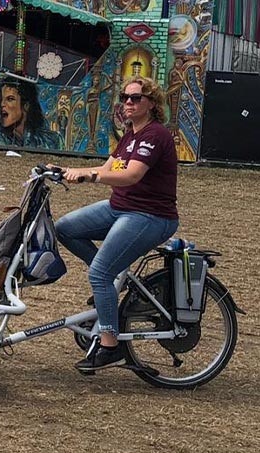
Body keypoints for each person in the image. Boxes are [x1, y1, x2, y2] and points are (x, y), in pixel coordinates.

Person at [54, 76, 179, 372]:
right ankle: (110, 281)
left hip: (149, 216)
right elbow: (108, 168)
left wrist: (89, 176)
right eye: (125, 97)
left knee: (98, 273)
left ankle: (111, 345)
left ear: (152, 103)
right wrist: (65, 170)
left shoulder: (155, 135)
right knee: (65, 228)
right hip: (118, 208)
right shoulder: (130, 134)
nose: (128, 103)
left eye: (135, 98)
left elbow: (130, 176)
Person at [0, 78, 63, 150]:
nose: (2, 104)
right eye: (1, 99)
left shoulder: (49, 140)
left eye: (10, 99)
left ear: (26, 105)